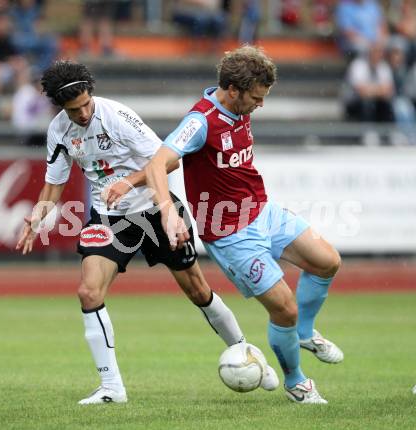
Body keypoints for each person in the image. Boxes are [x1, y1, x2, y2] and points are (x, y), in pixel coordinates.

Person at [15, 60, 279, 405]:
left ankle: (246, 353)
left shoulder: (117, 117)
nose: (82, 114)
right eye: (73, 109)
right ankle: (112, 388)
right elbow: (54, 184)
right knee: (88, 293)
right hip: (109, 219)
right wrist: (38, 216)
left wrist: (133, 187)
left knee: (199, 290)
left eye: (85, 105)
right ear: (61, 108)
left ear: (90, 94)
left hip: (155, 209)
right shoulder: (58, 131)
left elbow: (164, 160)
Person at [139, 46, 344, 404]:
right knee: (284, 308)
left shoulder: (237, 103)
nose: (260, 105)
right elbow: (160, 162)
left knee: (328, 261)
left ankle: (306, 333)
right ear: (233, 90)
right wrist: (167, 211)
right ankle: (296, 383)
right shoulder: (199, 121)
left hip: (263, 211)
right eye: (256, 98)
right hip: (230, 234)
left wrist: (128, 181)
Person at [342, 42, 395, 123]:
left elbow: (388, 91)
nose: (377, 55)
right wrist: (379, 90)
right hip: (354, 102)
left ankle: (388, 131)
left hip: (377, 101)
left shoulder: (384, 66)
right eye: (375, 52)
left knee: (387, 103)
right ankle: (367, 131)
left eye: (379, 52)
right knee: (367, 103)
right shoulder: (358, 65)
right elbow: (361, 92)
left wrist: (370, 90)